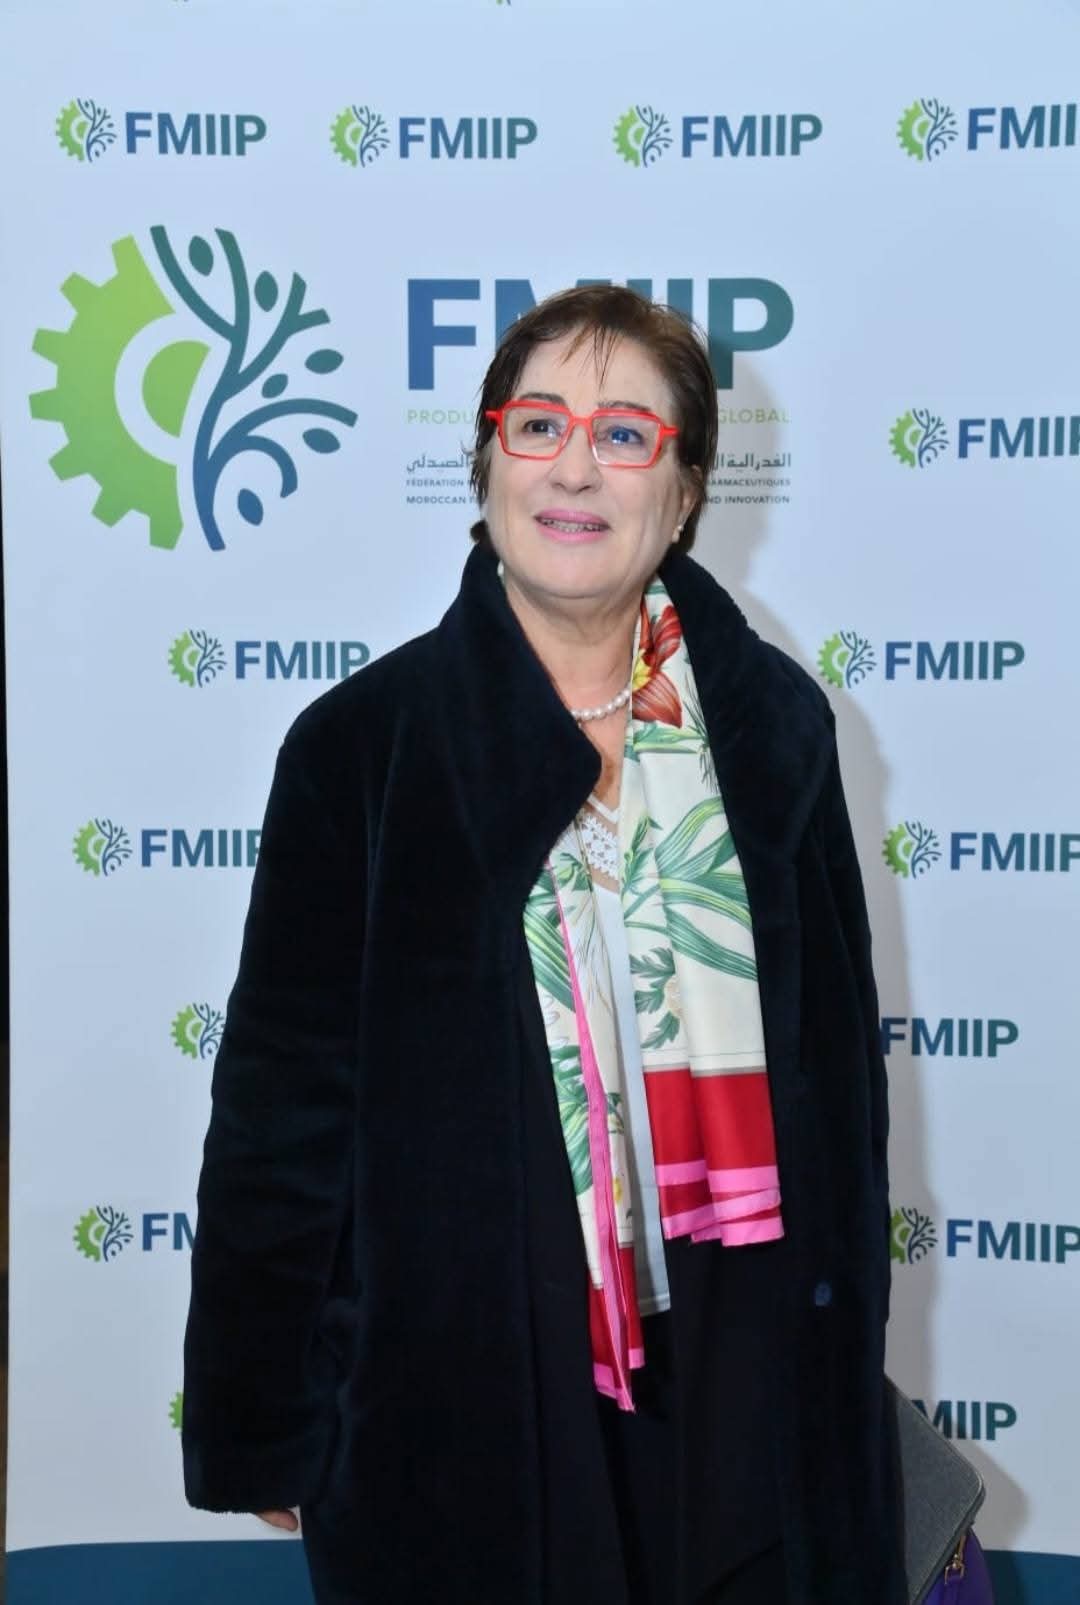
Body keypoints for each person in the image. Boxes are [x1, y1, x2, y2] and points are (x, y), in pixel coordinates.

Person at [182, 285, 905, 1604]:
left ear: (685, 494)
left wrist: (845, 1376)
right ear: (487, 463)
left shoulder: (775, 731)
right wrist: (263, 1409)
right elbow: (281, 1122)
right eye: (537, 424)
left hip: (744, 1381)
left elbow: (844, 1095)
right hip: (469, 1406)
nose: (575, 466)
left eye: (625, 433)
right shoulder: (364, 748)